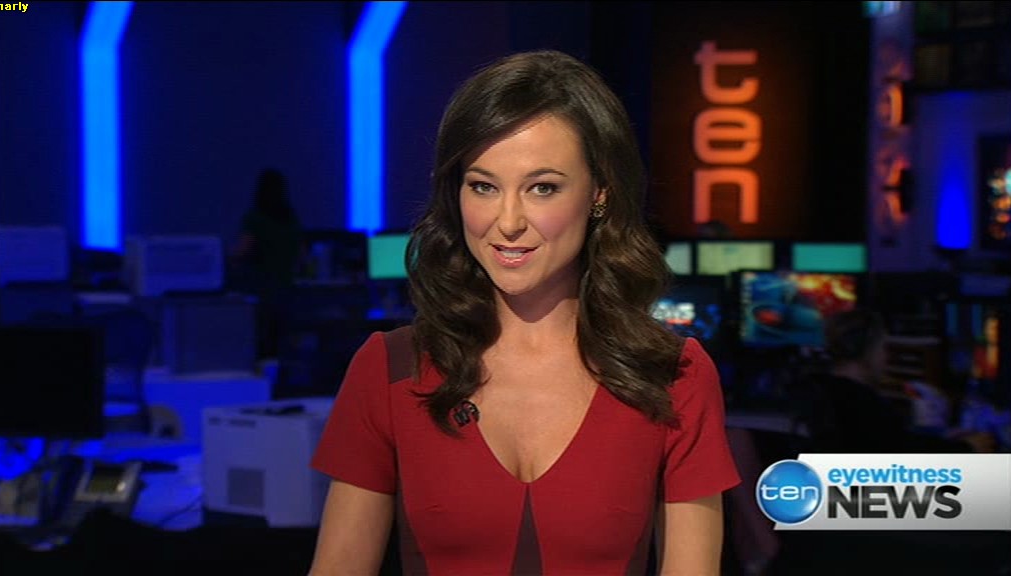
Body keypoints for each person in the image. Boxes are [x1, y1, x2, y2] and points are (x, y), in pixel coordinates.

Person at [308, 50, 741, 575]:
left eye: (542, 188)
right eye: (483, 186)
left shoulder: (675, 376)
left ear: (599, 194)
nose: (508, 221)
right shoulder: (389, 370)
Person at [797, 308, 995, 454]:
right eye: (883, 348)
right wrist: (967, 448)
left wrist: (943, 439)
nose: (886, 357)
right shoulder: (864, 406)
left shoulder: (818, 390)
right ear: (868, 351)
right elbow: (903, 455)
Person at [230, 168, 305, 357]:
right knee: (282, 342)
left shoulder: (255, 219)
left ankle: (265, 374)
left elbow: (243, 250)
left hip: (263, 289)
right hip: (287, 289)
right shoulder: (291, 219)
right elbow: (301, 253)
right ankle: (281, 374)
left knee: (263, 343)